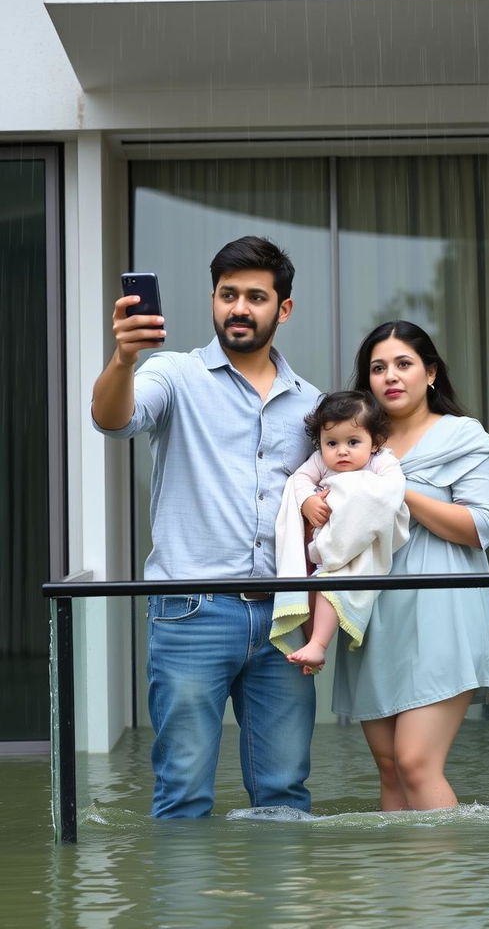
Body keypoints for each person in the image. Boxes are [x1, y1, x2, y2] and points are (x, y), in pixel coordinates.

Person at [91, 236, 320, 819]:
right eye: (227, 295)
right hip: (191, 609)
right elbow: (111, 420)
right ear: (214, 299)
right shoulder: (174, 374)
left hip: (285, 618)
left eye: (255, 297)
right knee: (184, 793)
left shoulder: (313, 406)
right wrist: (123, 359)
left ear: (283, 309)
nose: (238, 308)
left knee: (284, 794)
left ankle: (275, 910)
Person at [332, 321, 489, 812]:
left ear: (430, 373)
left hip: (441, 612)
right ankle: (396, 889)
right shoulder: (357, 444)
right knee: (388, 769)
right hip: (373, 616)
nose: (391, 376)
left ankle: (445, 890)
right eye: (378, 368)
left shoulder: (462, 435)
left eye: (404, 364)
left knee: (415, 763)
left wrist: (395, 490)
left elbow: (479, 527)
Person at [270, 390, 409, 671]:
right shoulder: (320, 461)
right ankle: (310, 645)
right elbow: (299, 480)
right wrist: (308, 500)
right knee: (311, 588)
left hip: (360, 545)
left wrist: (351, 496)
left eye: (353, 442)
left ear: (375, 443)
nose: (341, 450)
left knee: (331, 586)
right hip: (325, 542)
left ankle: (319, 645)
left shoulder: (382, 461)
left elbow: (390, 493)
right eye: (331, 442)